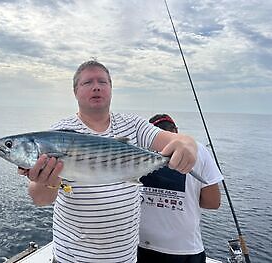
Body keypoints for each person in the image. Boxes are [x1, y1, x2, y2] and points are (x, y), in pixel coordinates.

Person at [19, 60, 198, 263]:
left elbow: (178, 140)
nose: (96, 86)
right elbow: (40, 199)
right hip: (72, 259)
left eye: (102, 82)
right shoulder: (58, 134)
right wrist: (47, 180)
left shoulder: (134, 125)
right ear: (75, 92)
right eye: (87, 82)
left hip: (124, 258)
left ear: (111, 89)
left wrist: (188, 145)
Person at [137, 114, 223, 263]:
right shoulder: (199, 150)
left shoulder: (138, 151)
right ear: (175, 130)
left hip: (139, 244)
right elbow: (212, 202)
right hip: (184, 249)